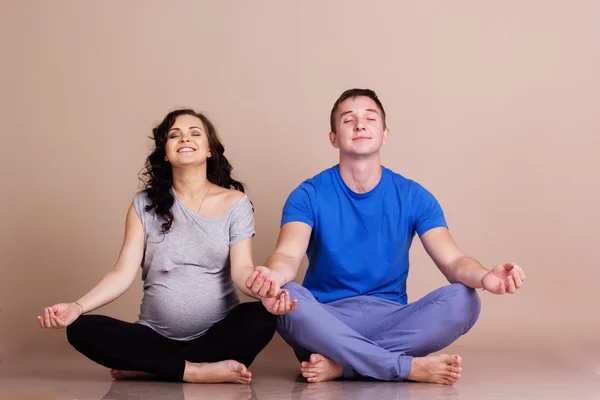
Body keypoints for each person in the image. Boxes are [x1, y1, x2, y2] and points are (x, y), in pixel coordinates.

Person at [245, 89, 527, 385]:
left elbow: (454, 261)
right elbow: (287, 256)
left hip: (393, 320)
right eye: (348, 120)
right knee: (288, 299)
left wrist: (485, 277)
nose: (360, 125)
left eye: (370, 118)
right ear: (333, 138)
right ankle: (403, 367)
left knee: (465, 300)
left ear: (384, 134)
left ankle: (346, 366)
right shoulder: (308, 194)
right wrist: (271, 279)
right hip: (327, 320)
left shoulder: (413, 195)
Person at [38, 108, 297, 384]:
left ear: (209, 149)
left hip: (217, 336)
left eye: (195, 133)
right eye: (175, 135)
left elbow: (242, 270)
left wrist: (264, 292)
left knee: (262, 318)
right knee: (80, 329)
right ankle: (194, 371)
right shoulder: (143, 205)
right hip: (154, 337)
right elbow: (121, 274)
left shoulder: (235, 203)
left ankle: (154, 367)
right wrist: (78, 306)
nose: (185, 139)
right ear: (165, 152)